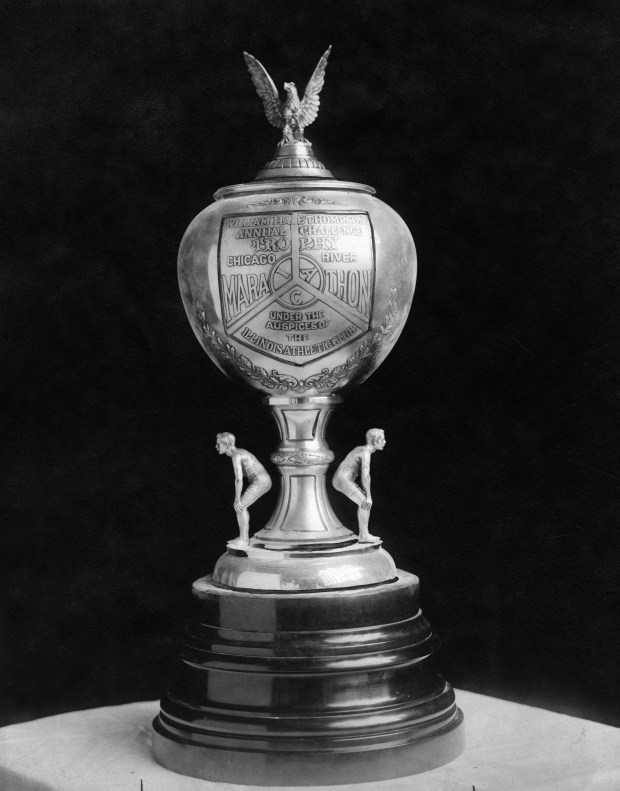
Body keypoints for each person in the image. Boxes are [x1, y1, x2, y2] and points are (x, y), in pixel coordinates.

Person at [216, 432, 272, 548]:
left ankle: (244, 539)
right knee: (240, 507)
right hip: (263, 480)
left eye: (218, 444)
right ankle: (243, 537)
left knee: (240, 507)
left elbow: (239, 479)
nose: (216, 447)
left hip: (261, 482)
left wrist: (236, 499)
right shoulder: (239, 452)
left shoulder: (237, 456)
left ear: (226, 444)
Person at [332, 428, 386, 543]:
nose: (385, 442)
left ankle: (364, 534)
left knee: (364, 503)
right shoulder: (365, 453)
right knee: (365, 503)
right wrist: (369, 497)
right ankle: (364, 536)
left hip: (340, 479)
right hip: (343, 480)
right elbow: (365, 476)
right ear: (375, 441)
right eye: (383, 439)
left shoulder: (361, 449)